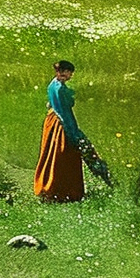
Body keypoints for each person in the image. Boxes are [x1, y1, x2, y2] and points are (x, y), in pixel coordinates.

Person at [33, 59, 100, 202]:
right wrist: (73, 132)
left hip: (53, 120)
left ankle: (52, 189)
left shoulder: (54, 85)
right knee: (63, 156)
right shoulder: (59, 89)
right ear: (63, 72)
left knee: (52, 154)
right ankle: (62, 191)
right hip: (60, 123)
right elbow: (63, 111)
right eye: (69, 72)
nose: (71, 75)